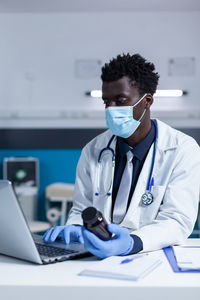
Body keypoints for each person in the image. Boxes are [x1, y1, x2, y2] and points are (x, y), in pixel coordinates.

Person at [43, 53, 200, 258]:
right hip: (96, 258)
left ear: (147, 101)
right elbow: (81, 209)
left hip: (153, 255)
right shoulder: (93, 150)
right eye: (106, 102)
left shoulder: (183, 149)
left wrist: (131, 243)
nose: (111, 109)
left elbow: (177, 220)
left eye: (121, 100)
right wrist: (74, 228)